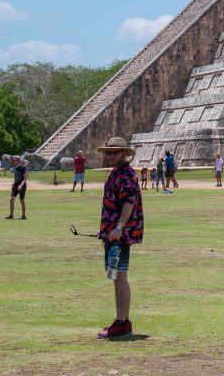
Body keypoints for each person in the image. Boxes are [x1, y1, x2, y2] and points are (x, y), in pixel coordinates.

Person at [95, 136, 144, 339]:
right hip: (113, 234)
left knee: (120, 276)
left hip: (119, 235)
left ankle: (122, 322)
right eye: (109, 153)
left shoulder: (125, 175)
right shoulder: (117, 174)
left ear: (125, 154)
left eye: (115, 152)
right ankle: (122, 320)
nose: (111, 156)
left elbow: (129, 202)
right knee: (116, 276)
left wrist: (118, 227)